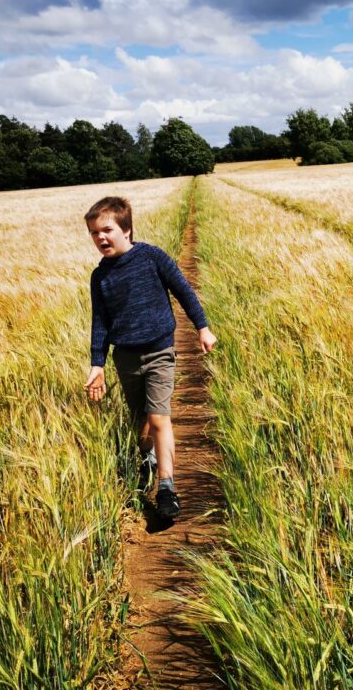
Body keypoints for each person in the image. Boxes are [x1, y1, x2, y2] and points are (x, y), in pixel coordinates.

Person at [82, 196, 217, 519]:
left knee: (159, 418)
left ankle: (167, 487)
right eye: (93, 233)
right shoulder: (100, 277)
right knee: (142, 423)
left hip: (159, 351)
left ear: (126, 229)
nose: (100, 238)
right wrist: (97, 364)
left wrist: (202, 327)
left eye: (106, 230)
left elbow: (183, 290)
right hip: (125, 358)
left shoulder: (152, 257)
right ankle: (147, 458)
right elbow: (99, 322)